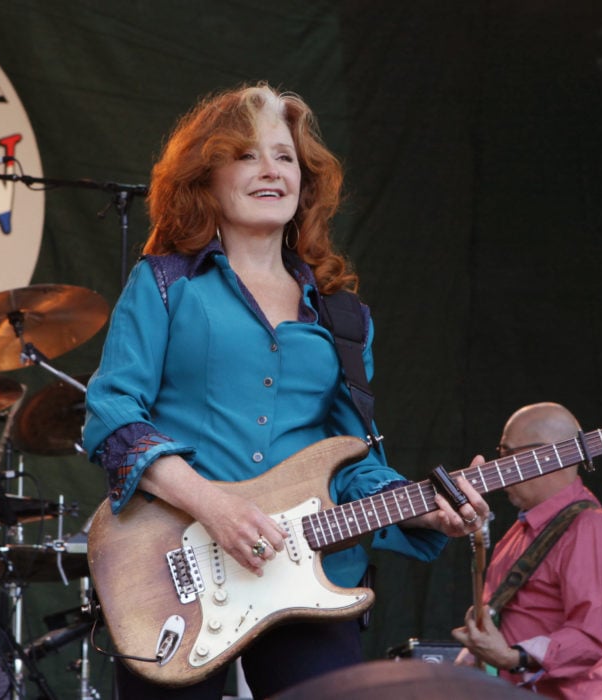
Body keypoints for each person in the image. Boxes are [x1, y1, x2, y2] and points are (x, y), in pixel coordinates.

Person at [82, 82, 490, 699]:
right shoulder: (164, 283)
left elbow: (353, 461)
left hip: (311, 576)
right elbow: (112, 413)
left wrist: (424, 507)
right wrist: (214, 507)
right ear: (206, 178)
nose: (272, 170)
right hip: (178, 569)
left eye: (285, 157)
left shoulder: (344, 316)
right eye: (247, 155)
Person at [451, 402, 602, 699]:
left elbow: (587, 638)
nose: (499, 467)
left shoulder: (590, 529)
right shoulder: (520, 531)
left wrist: (513, 658)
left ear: (546, 455)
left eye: (507, 454)